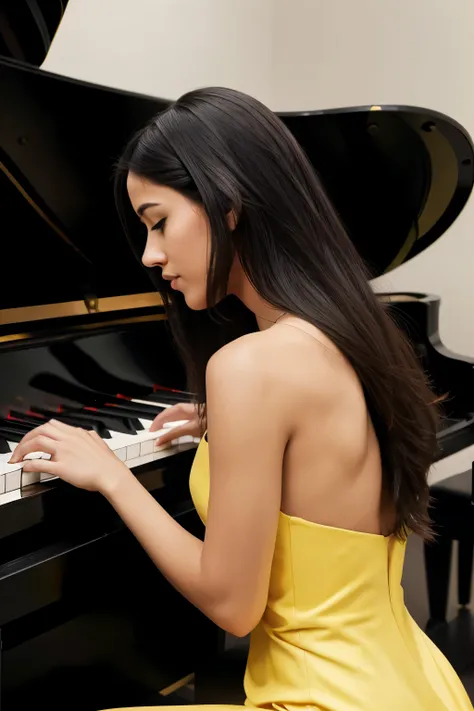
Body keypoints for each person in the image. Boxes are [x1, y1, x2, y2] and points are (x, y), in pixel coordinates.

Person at [9, 87, 472, 711]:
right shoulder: (351, 332)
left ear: (227, 205)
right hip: (410, 684)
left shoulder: (250, 366)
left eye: (158, 222)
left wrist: (114, 476)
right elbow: (323, 442)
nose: (150, 255)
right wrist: (223, 426)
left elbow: (232, 603)